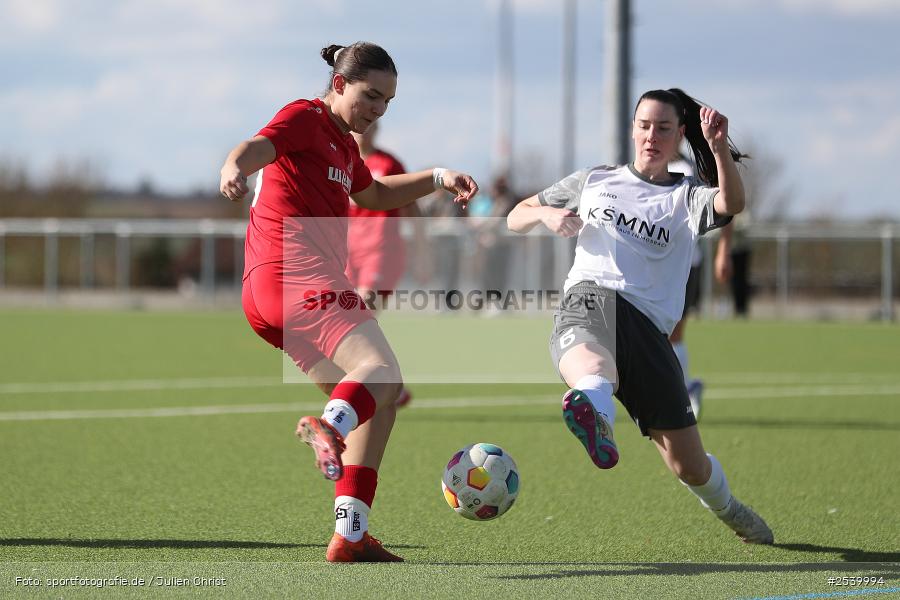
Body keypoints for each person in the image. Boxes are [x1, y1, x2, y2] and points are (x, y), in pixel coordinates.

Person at [219, 42, 478, 562]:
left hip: (266, 298)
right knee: (383, 373)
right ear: (339, 84)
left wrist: (436, 177)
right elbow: (256, 146)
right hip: (295, 276)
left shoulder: (341, 146)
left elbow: (375, 195)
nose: (378, 110)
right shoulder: (305, 116)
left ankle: (351, 532)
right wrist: (233, 168)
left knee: (376, 403)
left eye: (387, 102)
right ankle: (328, 427)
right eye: (371, 96)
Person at [507, 88, 773, 544]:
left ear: (679, 135)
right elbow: (516, 215)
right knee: (594, 367)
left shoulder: (687, 195)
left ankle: (730, 510)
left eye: (664, 128)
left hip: (650, 330)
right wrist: (547, 215)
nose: (652, 136)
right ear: (633, 129)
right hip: (591, 298)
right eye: (645, 125)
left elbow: (732, 205)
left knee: (689, 466)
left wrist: (719, 149)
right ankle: (593, 411)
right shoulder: (594, 179)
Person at [346, 122, 424, 407]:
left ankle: (379, 382)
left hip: (380, 253)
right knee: (346, 322)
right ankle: (390, 384)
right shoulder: (341, 163)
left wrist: (422, 250)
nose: (363, 132)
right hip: (346, 254)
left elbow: (411, 206)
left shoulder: (388, 164)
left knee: (362, 313)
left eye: (369, 127)